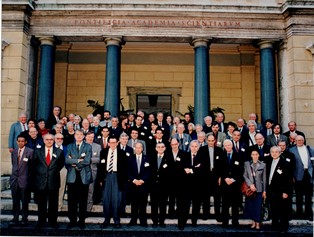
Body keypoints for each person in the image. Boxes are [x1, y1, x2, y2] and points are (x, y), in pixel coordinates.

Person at [32, 133, 65, 228]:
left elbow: (61, 164)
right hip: (41, 181)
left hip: (53, 180)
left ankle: (53, 222)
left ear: (54, 140)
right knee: (41, 203)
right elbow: (34, 165)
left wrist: (52, 172)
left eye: (51, 139)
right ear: (43, 140)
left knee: (53, 203)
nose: (49, 141)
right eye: (47, 139)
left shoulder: (59, 151)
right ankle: (41, 222)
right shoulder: (38, 151)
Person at [66, 129, 92, 229]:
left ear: (84, 136)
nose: (79, 136)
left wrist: (75, 163)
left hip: (83, 176)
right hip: (72, 177)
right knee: (71, 200)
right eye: (77, 134)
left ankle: (81, 221)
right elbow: (67, 160)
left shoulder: (88, 146)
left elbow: (87, 161)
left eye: (81, 134)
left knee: (82, 200)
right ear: (74, 136)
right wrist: (77, 160)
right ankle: (72, 221)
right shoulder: (69, 146)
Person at [98, 136, 127, 228]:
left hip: (117, 177)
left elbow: (124, 168)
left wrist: (123, 180)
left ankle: (116, 220)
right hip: (106, 177)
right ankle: (106, 220)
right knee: (106, 200)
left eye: (115, 142)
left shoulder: (122, 153)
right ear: (108, 143)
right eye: (111, 142)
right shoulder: (103, 152)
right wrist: (100, 179)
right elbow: (100, 167)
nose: (113, 144)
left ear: (117, 143)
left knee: (116, 200)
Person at [177, 140, 204, 230]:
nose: (194, 148)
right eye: (192, 146)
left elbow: (202, 171)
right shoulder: (183, 155)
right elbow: (180, 168)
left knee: (196, 205)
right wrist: (195, 168)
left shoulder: (202, 157)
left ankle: (194, 222)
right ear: (189, 146)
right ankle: (181, 223)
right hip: (185, 185)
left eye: (196, 146)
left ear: (199, 147)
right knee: (184, 205)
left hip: (198, 185)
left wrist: (190, 169)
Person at [9, 135, 34, 226]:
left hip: (24, 180)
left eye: (22, 141)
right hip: (15, 179)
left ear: (25, 142)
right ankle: (15, 217)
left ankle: (24, 218)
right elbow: (14, 164)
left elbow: (31, 167)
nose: (20, 143)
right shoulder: (14, 151)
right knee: (15, 200)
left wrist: (28, 179)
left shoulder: (30, 152)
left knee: (24, 200)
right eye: (19, 141)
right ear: (16, 142)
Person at [289, 135, 314, 221]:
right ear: (295, 141)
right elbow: (290, 165)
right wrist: (292, 176)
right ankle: (299, 214)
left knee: (308, 195)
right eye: (298, 140)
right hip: (297, 175)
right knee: (299, 195)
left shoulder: (310, 149)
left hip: (308, 174)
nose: (300, 141)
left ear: (304, 140)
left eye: (301, 140)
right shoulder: (291, 150)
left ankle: (308, 214)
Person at [199, 134, 223, 222]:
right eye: (209, 140)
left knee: (217, 197)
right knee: (205, 197)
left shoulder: (219, 150)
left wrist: (220, 177)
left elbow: (221, 165)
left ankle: (218, 215)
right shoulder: (202, 150)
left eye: (212, 140)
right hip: (205, 176)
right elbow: (199, 163)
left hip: (216, 176)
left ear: (215, 141)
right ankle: (205, 214)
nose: (211, 142)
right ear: (206, 141)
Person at [266, 146, 290, 232]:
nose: (274, 153)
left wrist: (285, 191)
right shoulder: (268, 161)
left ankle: (284, 227)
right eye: (272, 152)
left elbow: (288, 179)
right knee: (274, 209)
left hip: (281, 190)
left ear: (280, 153)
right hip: (271, 190)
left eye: (276, 152)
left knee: (283, 209)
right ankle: (275, 226)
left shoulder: (285, 163)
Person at [220, 139, 243, 227]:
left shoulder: (239, 156)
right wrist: (225, 178)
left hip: (235, 184)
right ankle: (224, 222)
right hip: (225, 183)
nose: (227, 147)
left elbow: (241, 170)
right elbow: (219, 169)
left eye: (229, 145)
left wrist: (233, 179)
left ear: (232, 145)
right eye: (225, 146)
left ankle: (235, 222)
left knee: (235, 204)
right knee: (225, 204)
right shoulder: (222, 156)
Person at [127, 142, 151, 227]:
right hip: (133, 185)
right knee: (134, 204)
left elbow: (149, 172)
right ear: (134, 148)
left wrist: (142, 180)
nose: (138, 149)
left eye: (139, 147)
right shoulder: (130, 158)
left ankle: (143, 221)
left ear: (142, 149)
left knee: (143, 204)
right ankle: (133, 220)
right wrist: (134, 180)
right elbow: (128, 171)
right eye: (136, 147)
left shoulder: (147, 158)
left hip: (143, 185)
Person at [150, 143, 173, 228]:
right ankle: (155, 221)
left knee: (163, 204)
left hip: (164, 186)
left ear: (165, 148)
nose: (160, 148)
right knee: (154, 204)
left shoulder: (169, 158)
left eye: (162, 147)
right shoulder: (151, 157)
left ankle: (162, 221)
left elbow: (170, 172)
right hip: (153, 186)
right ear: (156, 148)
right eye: (158, 147)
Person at [243, 149, 266, 230]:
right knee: (251, 206)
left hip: (259, 189)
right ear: (251, 155)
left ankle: (257, 223)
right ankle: (253, 221)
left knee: (258, 207)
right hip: (250, 189)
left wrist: (264, 191)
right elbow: (245, 175)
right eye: (253, 154)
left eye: (256, 154)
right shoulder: (247, 164)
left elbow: (264, 178)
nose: (255, 156)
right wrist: (250, 184)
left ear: (258, 155)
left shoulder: (263, 165)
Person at [167, 138, 187, 218]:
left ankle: (179, 213)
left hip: (180, 180)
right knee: (171, 198)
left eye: (175, 144)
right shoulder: (167, 153)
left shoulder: (184, 154)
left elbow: (185, 167)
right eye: (172, 144)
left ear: (178, 144)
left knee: (180, 199)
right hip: (170, 180)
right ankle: (171, 213)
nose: (174, 146)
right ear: (170, 145)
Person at [85, 132, 101, 213]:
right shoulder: (82, 145)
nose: (90, 138)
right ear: (85, 137)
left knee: (90, 190)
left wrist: (89, 160)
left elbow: (99, 159)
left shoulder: (97, 147)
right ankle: (81, 208)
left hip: (92, 171)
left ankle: (88, 209)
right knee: (82, 190)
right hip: (82, 171)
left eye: (92, 137)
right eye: (88, 137)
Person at [53, 133, 67, 212]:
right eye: (58, 138)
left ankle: (59, 205)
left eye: (61, 138)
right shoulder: (51, 147)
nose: (59, 140)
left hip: (63, 169)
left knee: (61, 188)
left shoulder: (66, 148)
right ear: (55, 139)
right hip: (52, 170)